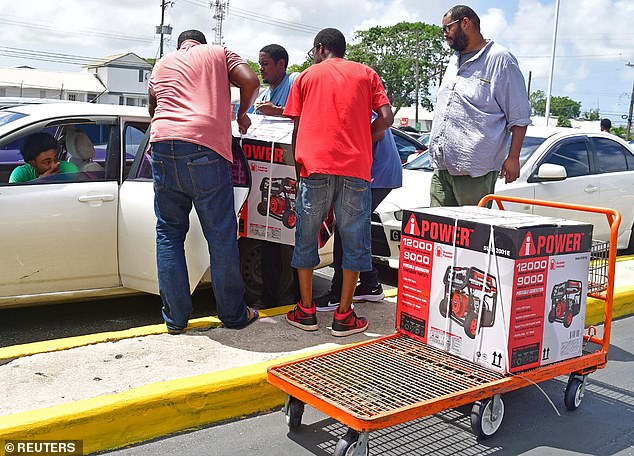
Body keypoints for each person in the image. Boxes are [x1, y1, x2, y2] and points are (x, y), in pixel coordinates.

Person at [147, 29, 260, 334]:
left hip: (162, 145)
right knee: (221, 236)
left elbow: (152, 108)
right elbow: (250, 81)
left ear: (180, 45)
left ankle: (175, 318)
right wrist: (243, 113)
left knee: (169, 234)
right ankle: (234, 314)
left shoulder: (162, 64)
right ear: (202, 44)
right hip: (205, 148)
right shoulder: (218, 53)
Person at [283, 28, 394, 337]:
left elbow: (296, 128)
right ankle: (344, 316)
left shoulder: (305, 77)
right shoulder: (366, 74)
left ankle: (306, 311)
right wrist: (364, 134)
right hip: (355, 169)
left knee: (306, 237)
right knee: (355, 240)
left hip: (314, 167)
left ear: (321, 49)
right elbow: (386, 116)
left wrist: (297, 169)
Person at [429, 5, 531, 207]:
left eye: (447, 28)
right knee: (436, 234)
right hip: (442, 168)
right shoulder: (453, 61)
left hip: (474, 171)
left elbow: (519, 115)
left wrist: (513, 157)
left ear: (465, 23)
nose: (445, 35)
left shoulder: (500, 59)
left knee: (470, 235)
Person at [315, 122, 402, 311]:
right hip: (377, 170)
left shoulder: (354, 95)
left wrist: (347, 150)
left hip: (374, 172)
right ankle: (370, 284)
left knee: (345, 227)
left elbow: (378, 128)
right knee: (356, 227)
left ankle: (338, 293)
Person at [252, 44, 300, 309]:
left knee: (296, 241)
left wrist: (278, 112)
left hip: (295, 174)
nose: (261, 69)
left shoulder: (295, 82)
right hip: (268, 176)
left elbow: (309, 115)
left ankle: (299, 301)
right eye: (260, 64)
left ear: (282, 64)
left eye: (266, 64)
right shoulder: (263, 93)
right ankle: (269, 299)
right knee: (268, 239)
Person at [9, 132, 79, 183]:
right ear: (32, 163)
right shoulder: (21, 174)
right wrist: (39, 182)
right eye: (47, 162)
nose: (54, 165)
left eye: (55, 158)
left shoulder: (69, 169)